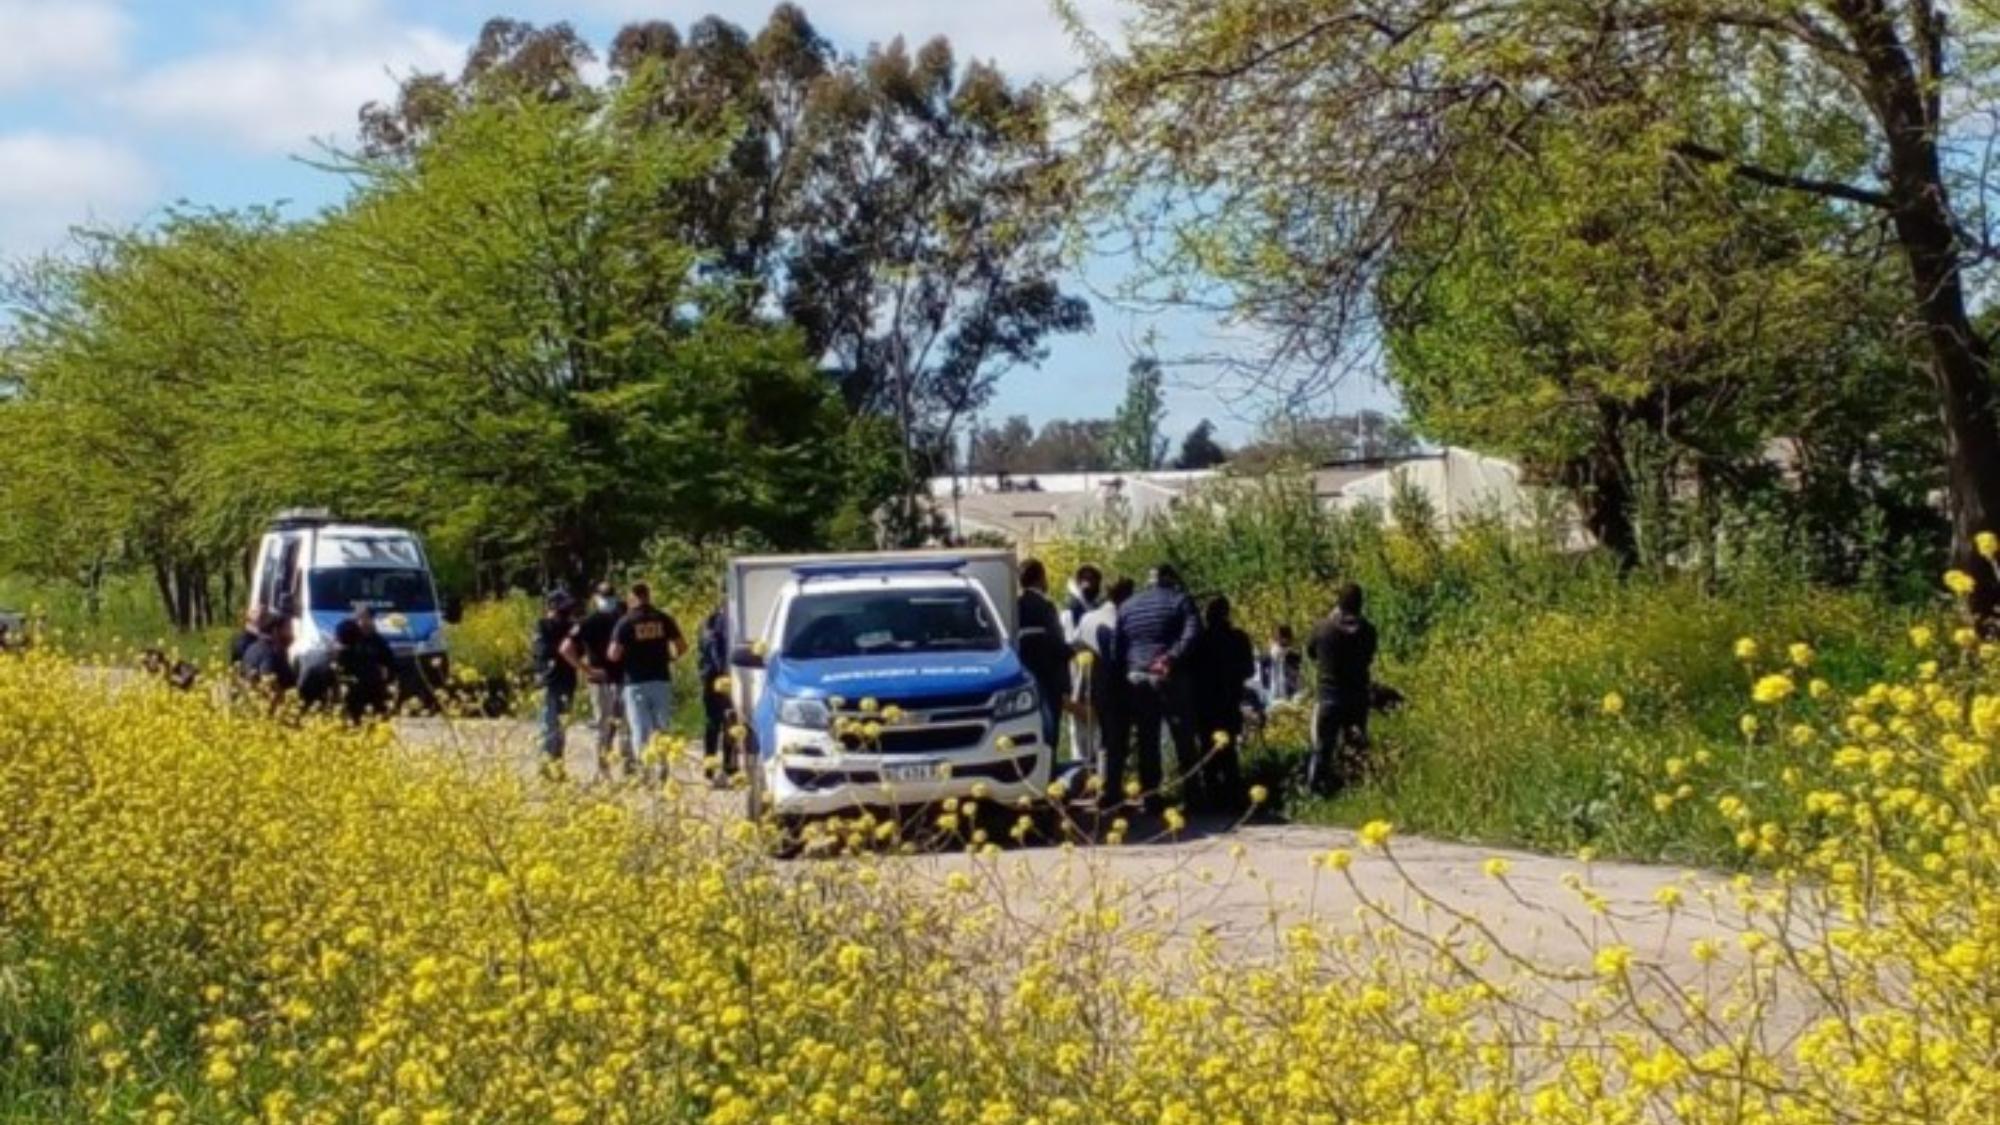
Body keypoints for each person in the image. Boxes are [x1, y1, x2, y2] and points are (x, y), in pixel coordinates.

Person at [1112, 564, 1203, 813]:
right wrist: (1170, 657)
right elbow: (1194, 633)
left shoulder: (1128, 605)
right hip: (1169, 676)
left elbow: (1116, 648)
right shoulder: (1180, 600)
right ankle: (1192, 795)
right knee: (1183, 736)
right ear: (1169, 579)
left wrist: (1126, 673)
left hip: (1137, 677)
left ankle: (1151, 798)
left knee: (1147, 740)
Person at [1307, 583, 1379, 797]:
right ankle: (1355, 790)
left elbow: (1311, 652)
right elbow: (1369, 655)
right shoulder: (1368, 630)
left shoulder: (1323, 628)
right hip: (1357, 696)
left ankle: (1316, 792)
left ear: (1338, 602)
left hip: (1329, 695)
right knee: (1355, 746)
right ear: (1360, 604)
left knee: (1322, 748)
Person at [609, 582, 685, 778]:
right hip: (661, 679)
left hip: (635, 682)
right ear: (648, 596)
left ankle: (645, 770)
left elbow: (614, 654)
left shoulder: (625, 622)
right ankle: (663, 766)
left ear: (632, 597)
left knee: (640, 729)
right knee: (662, 725)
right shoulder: (663, 618)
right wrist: (671, 658)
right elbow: (682, 646)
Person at [1186, 595, 1254, 813]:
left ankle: (1213, 797)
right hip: (1229, 700)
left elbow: (1191, 673)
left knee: (1208, 749)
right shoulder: (1238, 638)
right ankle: (1233, 797)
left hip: (1205, 703)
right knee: (1230, 750)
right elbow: (1249, 670)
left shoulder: (1200, 640)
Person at [1072, 576, 1134, 790]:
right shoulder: (1121, 619)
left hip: (1092, 684)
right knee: (1116, 739)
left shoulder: (1088, 617)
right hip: (1117, 686)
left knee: (1103, 737)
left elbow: (1075, 644)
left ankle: (1101, 784)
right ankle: (1112, 787)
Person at [564, 584, 630, 777]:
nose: (608, 599)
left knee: (622, 726)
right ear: (595, 597)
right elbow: (566, 648)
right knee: (606, 726)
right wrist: (586, 669)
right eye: (605, 596)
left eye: (610, 595)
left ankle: (626, 768)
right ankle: (605, 769)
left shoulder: (622, 619)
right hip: (602, 680)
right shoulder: (589, 622)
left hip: (620, 678)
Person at [1015, 559, 1071, 758]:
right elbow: (1055, 643)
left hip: (1023, 679)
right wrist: (1073, 650)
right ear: (1040, 578)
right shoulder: (1045, 607)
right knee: (1050, 731)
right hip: (1048, 679)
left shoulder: (1015, 606)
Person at [534, 590, 583, 775]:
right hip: (549, 680)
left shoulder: (572, 626)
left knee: (562, 727)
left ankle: (558, 766)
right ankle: (546, 767)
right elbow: (543, 651)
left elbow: (579, 649)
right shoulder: (543, 625)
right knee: (548, 726)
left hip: (567, 680)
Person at [338, 606, 398, 723]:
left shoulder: (379, 641)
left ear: (372, 620)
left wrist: (387, 675)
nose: (362, 622)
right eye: (359, 618)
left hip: (374, 688)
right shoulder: (349, 636)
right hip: (353, 690)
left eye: (365, 618)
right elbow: (341, 658)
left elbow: (390, 663)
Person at [696, 600, 733, 781]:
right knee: (727, 721)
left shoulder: (708, 621)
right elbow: (715, 653)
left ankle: (711, 766)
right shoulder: (724, 622)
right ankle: (727, 765)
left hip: (710, 678)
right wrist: (724, 672)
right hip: (719, 678)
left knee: (714, 723)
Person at [240, 612, 298, 714]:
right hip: (271, 716)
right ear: (276, 631)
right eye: (288, 628)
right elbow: (268, 684)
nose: (292, 634)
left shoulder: (252, 648)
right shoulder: (269, 652)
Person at [1257, 624, 1305, 706]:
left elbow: (1300, 684)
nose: (1283, 647)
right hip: (1269, 703)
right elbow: (1259, 683)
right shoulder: (1264, 659)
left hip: (1290, 702)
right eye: (1279, 641)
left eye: (1286, 641)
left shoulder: (1295, 658)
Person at [1062, 564, 1103, 644]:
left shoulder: (1100, 606)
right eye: (1084, 579)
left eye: (1091, 579)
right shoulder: (1072, 607)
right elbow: (1071, 637)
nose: (1087, 583)